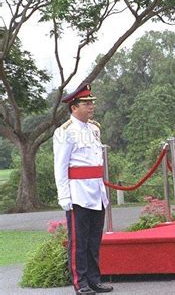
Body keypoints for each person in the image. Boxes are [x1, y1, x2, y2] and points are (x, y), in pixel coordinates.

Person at [53, 83, 113, 294]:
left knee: (94, 239)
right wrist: (64, 196)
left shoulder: (94, 128)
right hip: (78, 193)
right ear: (74, 107)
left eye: (91, 103)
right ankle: (81, 282)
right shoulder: (65, 132)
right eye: (86, 103)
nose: (91, 107)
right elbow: (60, 166)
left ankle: (95, 279)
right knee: (79, 242)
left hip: (96, 191)